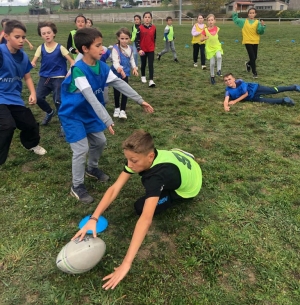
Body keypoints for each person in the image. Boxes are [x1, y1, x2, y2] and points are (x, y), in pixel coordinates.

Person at [72, 130, 202, 289]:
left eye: (133, 160)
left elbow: (146, 220)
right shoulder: (143, 157)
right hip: (181, 164)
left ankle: (180, 169)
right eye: (127, 159)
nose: (130, 165)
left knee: (140, 208)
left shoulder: (155, 177)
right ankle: (183, 155)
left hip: (189, 189)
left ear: (150, 157)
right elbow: (114, 188)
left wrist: (126, 263)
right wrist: (94, 218)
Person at [58, 28, 153, 204]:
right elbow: (92, 98)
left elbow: (119, 83)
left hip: (90, 113)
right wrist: (107, 120)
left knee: (100, 142)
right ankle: (77, 185)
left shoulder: (102, 66)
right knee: (81, 150)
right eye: (98, 45)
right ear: (85, 49)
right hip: (73, 115)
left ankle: (91, 168)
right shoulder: (78, 70)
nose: (103, 49)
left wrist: (140, 100)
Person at [0, 20, 47, 165]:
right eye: (17, 37)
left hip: (14, 98)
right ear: (6, 36)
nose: (21, 40)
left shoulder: (23, 56)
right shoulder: (1, 52)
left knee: (31, 124)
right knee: (7, 126)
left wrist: (33, 93)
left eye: (23, 37)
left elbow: (26, 75)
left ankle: (31, 144)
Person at [31, 21, 74, 133]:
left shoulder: (60, 48)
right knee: (38, 97)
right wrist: (31, 64)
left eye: (48, 32)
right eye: (43, 33)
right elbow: (33, 61)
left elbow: (71, 61)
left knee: (58, 101)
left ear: (54, 33)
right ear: (41, 35)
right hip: (45, 78)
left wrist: (71, 69)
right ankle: (49, 112)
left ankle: (63, 124)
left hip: (59, 77)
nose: (46, 35)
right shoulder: (40, 48)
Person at [223, 73, 299, 112]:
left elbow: (245, 94)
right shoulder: (228, 90)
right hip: (252, 97)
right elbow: (226, 100)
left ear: (234, 79)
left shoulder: (240, 82)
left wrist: (235, 101)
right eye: (226, 80)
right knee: (267, 101)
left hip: (256, 89)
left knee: (273, 90)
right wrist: (226, 107)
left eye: (229, 79)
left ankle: (294, 87)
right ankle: (284, 100)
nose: (228, 81)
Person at [111, 27, 138, 120]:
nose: (124, 41)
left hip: (125, 73)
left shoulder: (130, 49)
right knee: (117, 91)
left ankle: (123, 110)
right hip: (116, 73)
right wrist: (119, 69)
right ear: (118, 38)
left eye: (126, 38)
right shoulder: (115, 49)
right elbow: (115, 61)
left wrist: (134, 68)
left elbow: (131, 59)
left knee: (125, 91)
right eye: (122, 38)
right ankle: (117, 108)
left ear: (129, 38)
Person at [232, 5, 266, 78]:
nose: (251, 14)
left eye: (253, 13)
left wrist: (263, 26)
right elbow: (235, 19)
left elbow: (260, 32)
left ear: (255, 14)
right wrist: (235, 12)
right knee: (252, 57)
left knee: (254, 57)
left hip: (255, 41)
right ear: (248, 14)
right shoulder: (244, 21)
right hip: (247, 41)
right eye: (250, 13)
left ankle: (248, 64)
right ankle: (254, 73)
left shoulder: (258, 22)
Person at [200, 14, 223, 85]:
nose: (210, 21)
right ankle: (212, 76)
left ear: (215, 21)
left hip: (217, 47)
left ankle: (219, 70)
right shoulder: (205, 30)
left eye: (212, 20)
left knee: (219, 56)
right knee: (212, 63)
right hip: (209, 49)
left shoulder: (217, 28)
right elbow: (201, 39)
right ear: (207, 22)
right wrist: (204, 38)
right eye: (209, 20)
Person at [135, 11, 156, 87]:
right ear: (143, 19)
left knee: (151, 64)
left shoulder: (154, 28)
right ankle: (143, 76)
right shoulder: (140, 28)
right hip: (143, 50)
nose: (147, 19)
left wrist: (153, 46)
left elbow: (154, 38)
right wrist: (139, 49)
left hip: (151, 49)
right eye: (145, 17)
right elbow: (136, 40)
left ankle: (151, 80)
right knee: (143, 64)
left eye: (149, 17)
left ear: (151, 19)